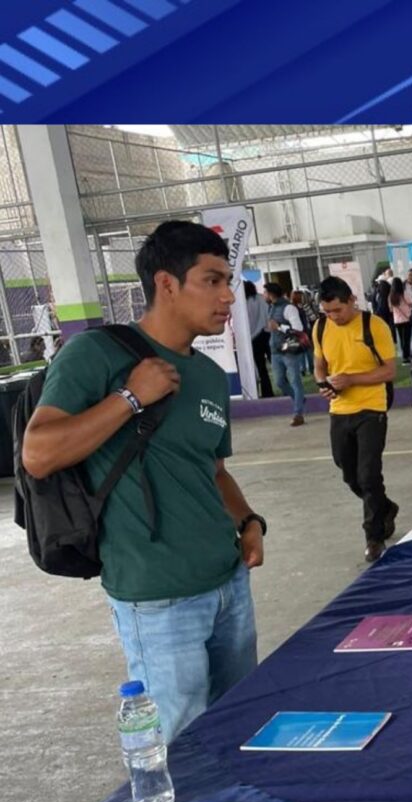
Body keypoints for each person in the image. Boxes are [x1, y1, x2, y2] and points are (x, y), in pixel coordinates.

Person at [20, 220, 263, 741]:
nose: (227, 297)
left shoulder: (205, 374)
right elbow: (38, 453)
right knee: (173, 743)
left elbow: (213, 469)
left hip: (227, 585)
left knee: (237, 727)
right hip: (157, 597)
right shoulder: (96, 354)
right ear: (166, 284)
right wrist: (129, 398)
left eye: (229, 282)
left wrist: (247, 521)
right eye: (212, 281)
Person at [313, 276, 399, 563]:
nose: (332, 317)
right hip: (339, 410)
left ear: (351, 300)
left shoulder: (374, 326)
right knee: (348, 472)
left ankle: (374, 537)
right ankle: (384, 507)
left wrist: (352, 379)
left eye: (337, 310)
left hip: (372, 408)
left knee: (369, 474)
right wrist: (323, 384)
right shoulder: (321, 327)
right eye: (327, 312)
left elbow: (389, 371)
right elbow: (319, 366)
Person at [264, 281, 306, 426]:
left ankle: (298, 413)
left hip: (289, 349)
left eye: (265, 292)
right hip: (275, 351)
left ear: (270, 294)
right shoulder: (271, 307)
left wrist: (279, 327)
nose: (263, 295)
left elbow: (298, 328)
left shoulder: (289, 308)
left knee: (295, 381)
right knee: (280, 382)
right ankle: (299, 399)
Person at [244, 280, 273, 398]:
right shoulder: (261, 298)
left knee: (261, 368)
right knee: (275, 364)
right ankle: (286, 389)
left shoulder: (244, 303)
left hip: (254, 338)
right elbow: (268, 314)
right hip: (267, 333)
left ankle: (267, 392)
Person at [291, 289, 316, 376]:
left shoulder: (291, 308)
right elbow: (312, 318)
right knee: (308, 351)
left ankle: (302, 369)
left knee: (300, 351)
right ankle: (311, 368)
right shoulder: (305, 306)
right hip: (306, 331)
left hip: (296, 332)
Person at [390, 276, 412, 363]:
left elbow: (390, 309)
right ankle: (406, 357)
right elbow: (411, 303)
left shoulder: (391, 296)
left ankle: (404, 357)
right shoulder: (404, 294)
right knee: (406, 339)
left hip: (397, 320)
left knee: (401, 339)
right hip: (406, 319)